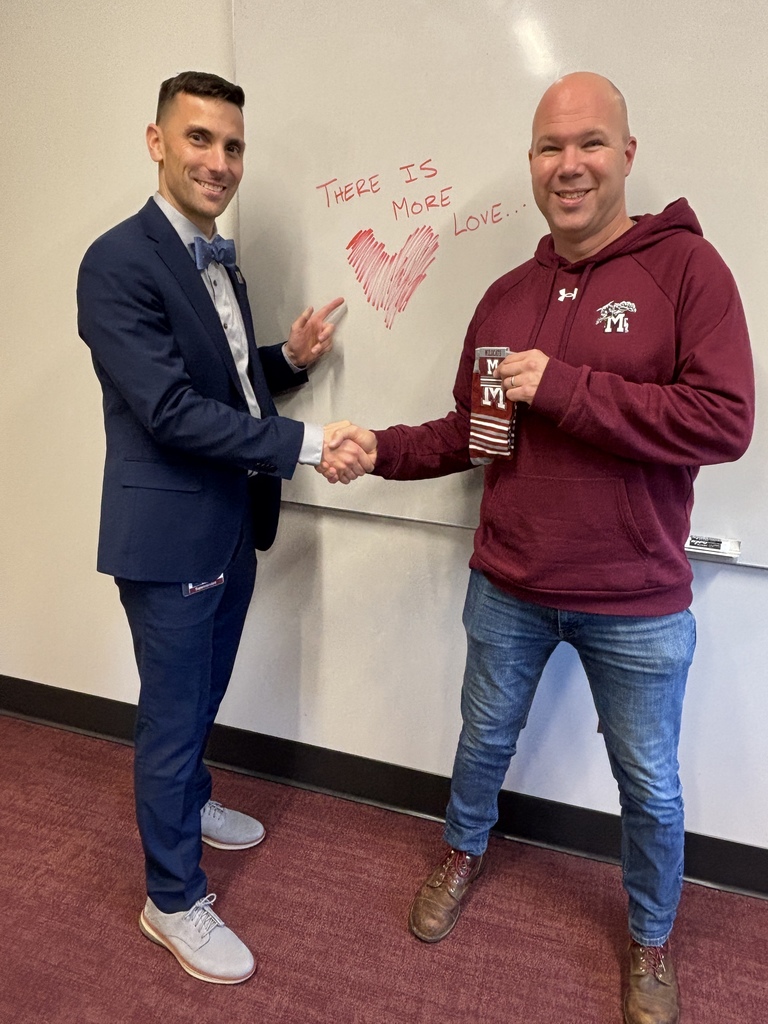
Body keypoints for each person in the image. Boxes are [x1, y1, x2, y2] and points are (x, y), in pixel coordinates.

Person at [323, 72, 754, 1023]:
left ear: (627, 155)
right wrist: (377, 450)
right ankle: (463, 851)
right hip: (510, 584)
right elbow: (470, 438)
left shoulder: (689, 272)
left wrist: (564, 388)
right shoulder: (507, 296)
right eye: (552, 148)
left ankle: (650, 942)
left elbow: (725, 422)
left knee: (649, 786)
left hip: (638, 598)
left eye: (591, 144)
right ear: (530, 163)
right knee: (482, 742)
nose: (571, 165)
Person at [77, 70, 371, 985]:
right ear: (156, 141)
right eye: (199, 138)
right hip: (166, 538)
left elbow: (225, 385)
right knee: (170, 723)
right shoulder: (117, 261)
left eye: (233, 145)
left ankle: (191, 801)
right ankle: (171, 900)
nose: (219, 160)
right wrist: (313, 442)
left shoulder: (216, 254)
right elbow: (167, 410)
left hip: (230, 520)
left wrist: (287, 359)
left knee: (203, 695)